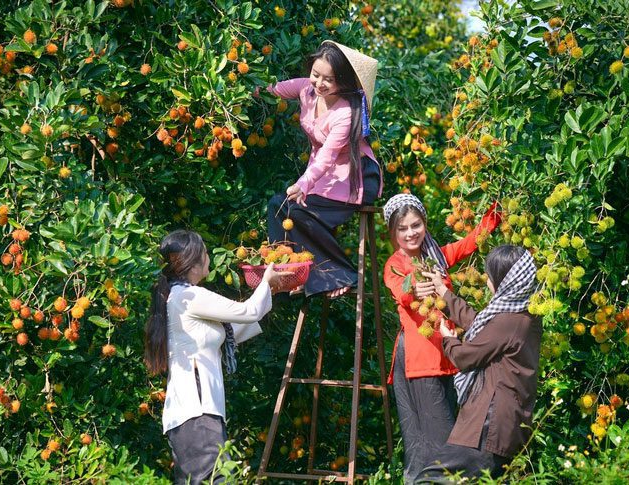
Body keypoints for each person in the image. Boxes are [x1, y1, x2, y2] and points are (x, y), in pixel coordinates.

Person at [144, 229, 289, 484]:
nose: (209, 257)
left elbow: (232, 330)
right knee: (217, 480)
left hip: (194, 416)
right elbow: (248, 311)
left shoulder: (178, 296)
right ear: (194, 260)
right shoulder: (190, 296)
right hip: (197, 414)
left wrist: (270, 294)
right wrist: (265, 281)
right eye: (206, 252)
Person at [381, 193, 501, 484]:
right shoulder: (395, 265)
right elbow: (401, 291)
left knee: (437, 435)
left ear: (425, 224)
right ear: (393, 233)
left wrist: (498, 208)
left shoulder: (435, 256)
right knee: (438, 437)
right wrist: (416, 292)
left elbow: (472, 241)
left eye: (416, 225)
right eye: (403, 228)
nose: (411, 233)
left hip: (446, 356)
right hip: (419, 359)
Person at [265, 40, 383, 299]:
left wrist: (303, 185)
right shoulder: (307, 89)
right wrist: (238, 90)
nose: (319, 83)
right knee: (277, 205)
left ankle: (342, 274)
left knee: (298, 210)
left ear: (343, 80)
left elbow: (328, 156)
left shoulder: (345, 113)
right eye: (315, 75)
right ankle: (289, 273)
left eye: (328, 79)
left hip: (354, 177)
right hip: (322, 176)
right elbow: (273, 90)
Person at [415, 245, 542, 483]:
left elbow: (466, 357)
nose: (487, 282)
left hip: (488, 427)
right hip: (505, 425)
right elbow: (482, 327)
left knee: (429, 478)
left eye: (490, 276)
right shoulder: (523, 315)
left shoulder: (509, 321)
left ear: (505, 281)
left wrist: (449, 339)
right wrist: (443, 292)